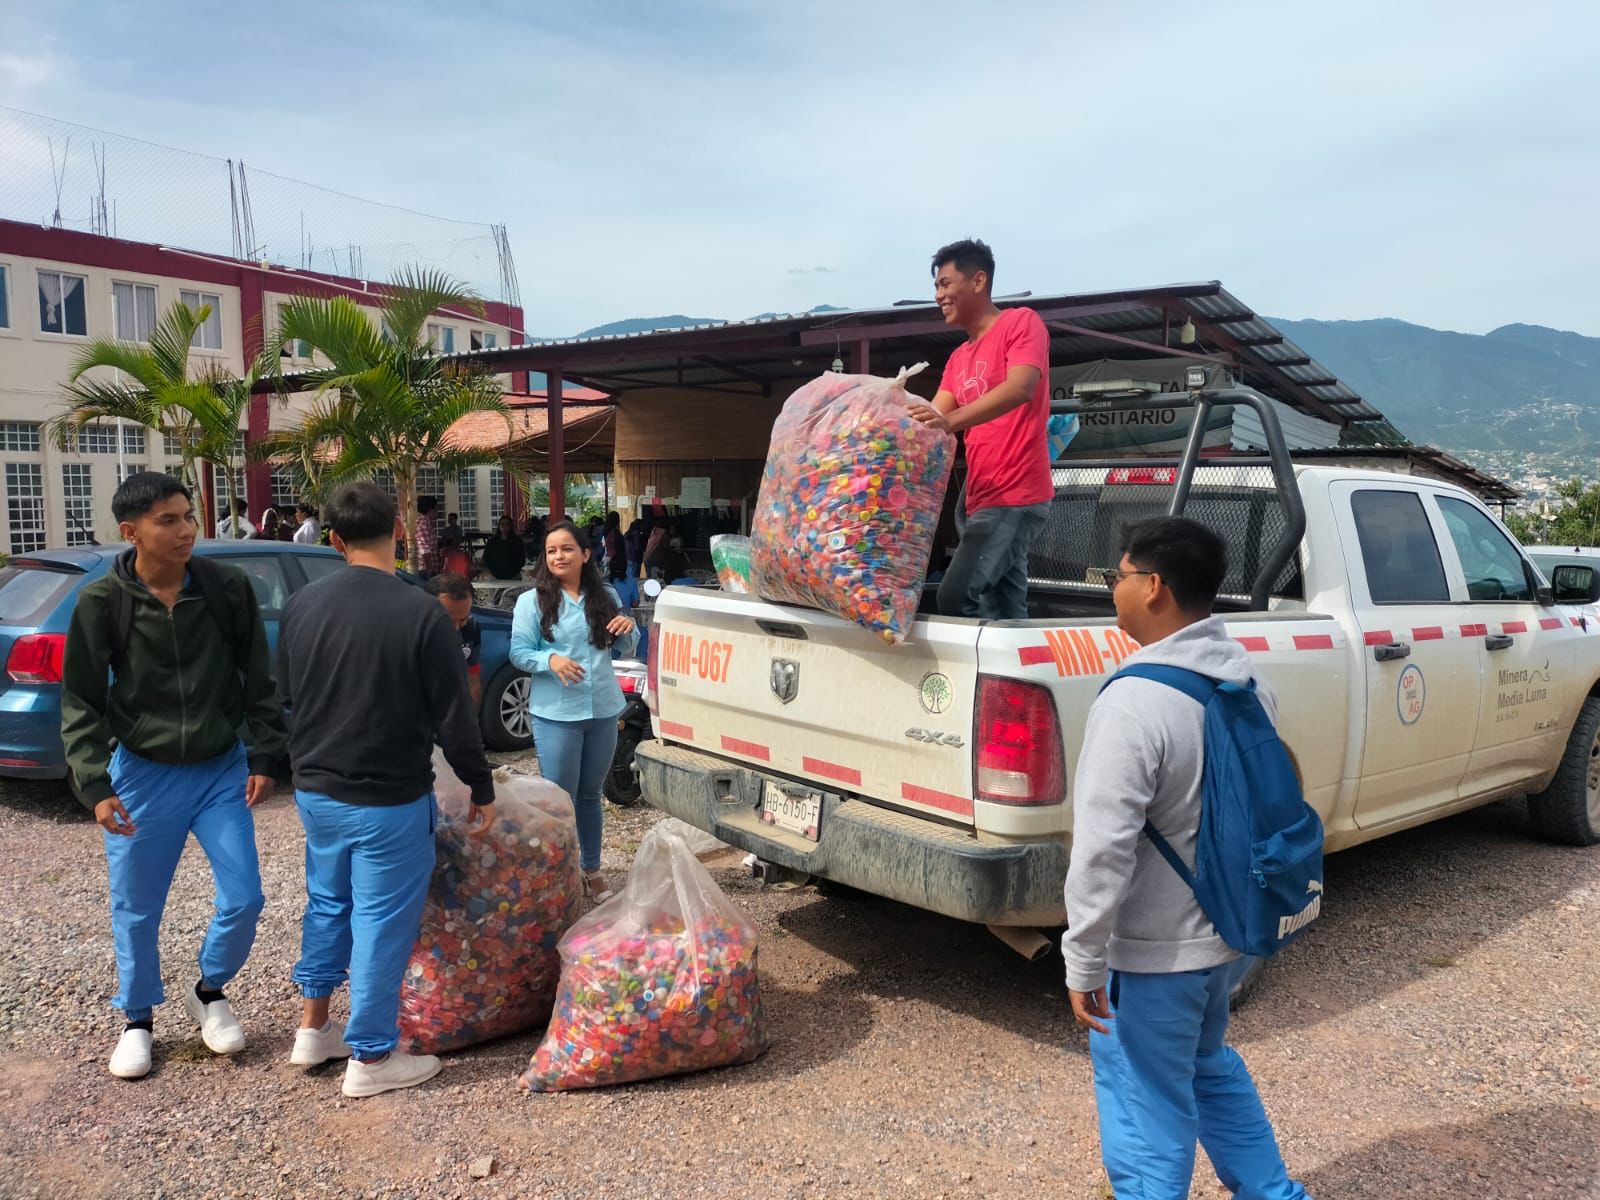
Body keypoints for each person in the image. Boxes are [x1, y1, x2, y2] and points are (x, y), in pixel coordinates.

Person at [1062, 517, 1310, 1199]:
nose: (1113, 589)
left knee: (1146, 1107)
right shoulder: (1246, 685)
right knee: (1208, 1068)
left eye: (1119, 575)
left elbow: (1103, 848)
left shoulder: (1135, 702)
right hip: (1222, 940)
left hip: (1153, 955)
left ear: (1154, 587)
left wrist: (1082, 958)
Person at [60, 471, 286, 1080]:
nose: (186, 529)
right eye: (169, 520)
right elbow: (80, 697)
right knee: (137, 907)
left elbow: (256, 675)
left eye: (188, 516)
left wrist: (265, 753)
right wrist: (95, 785)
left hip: (220, 770)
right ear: (131, 532)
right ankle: (137, 1019)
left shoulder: (226, 588)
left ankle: (209, 991)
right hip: (142, 774)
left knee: (245, 897)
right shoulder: (101, 602)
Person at [277, 481, 497, 1098]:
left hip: (317, 790)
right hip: (389, 798)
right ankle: (371, 1059)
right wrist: (481, 787)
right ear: (399, 531)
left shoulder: (302, 605)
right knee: (379, 919)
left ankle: (313, 1029)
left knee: (327, 903)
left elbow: (287, 698)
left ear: (335, 539)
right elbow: (456, 718)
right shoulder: (422, 612)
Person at [910, 238, 1053, 621]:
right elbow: (930, 415)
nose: (938, 295)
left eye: (944, 283)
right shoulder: (959, 358)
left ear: (977, 281)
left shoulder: (1020, 323)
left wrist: (951, 422)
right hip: (979, 496)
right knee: (1003, 608)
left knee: (955, 597)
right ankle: (1020, 672)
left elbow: (1021, 387)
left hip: (1015, 492)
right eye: (936, 287)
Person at [509, 520, 637, 902]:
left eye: (566, 549)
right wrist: (550, 660)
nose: (558, 556)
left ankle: (592, 872)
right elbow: (518, 653)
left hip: (602, 710)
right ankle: (557, 874)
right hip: (556, 715)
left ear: (585, 554)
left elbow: (626, 647)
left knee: (590, 795)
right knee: (557, 800)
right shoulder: (531, 602)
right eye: (551, 551)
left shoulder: (607, 595)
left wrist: (629, 628)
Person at [425, 573, 483, 710]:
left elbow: (472, 678)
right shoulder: (411, 633)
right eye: (448, 620)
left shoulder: (471, 628)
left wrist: (470, 717)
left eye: (463, 619)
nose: (456, 627)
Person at [482, 515, 528, 581]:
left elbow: (521, 559)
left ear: (510, 526)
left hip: (513, 575)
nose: (504, 527)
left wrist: (515, 570)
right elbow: (486, 558)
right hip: (495, 575)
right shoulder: (492, 542)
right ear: (499, 526)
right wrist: (493, 570)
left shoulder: (517, 542)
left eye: (507, 524)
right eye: (502, 524)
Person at [415, 496, 441, 578]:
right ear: (430, 509)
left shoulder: (425, 521)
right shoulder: (423, 522)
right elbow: (424, 549)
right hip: (425, 571)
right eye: (436, 508)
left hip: (425, 569)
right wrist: (430, 569)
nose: (438, 511)